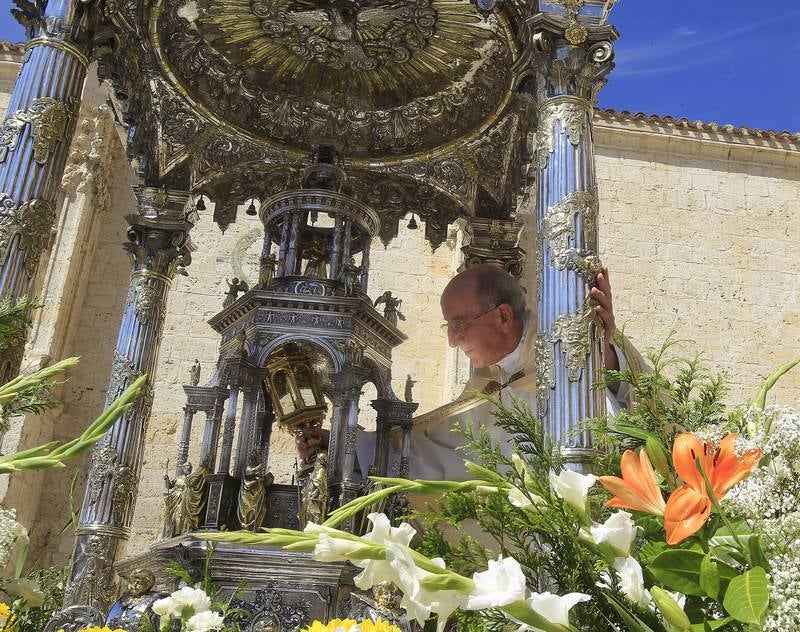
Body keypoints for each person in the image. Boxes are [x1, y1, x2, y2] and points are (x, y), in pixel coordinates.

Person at [297, 264, 647, 480]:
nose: (452, 341)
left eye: (460, 324)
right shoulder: (490, 378)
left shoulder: (568, 346)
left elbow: (641, 407)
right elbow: (443, 450)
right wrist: (350, 445)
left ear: (504, 317)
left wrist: (605, 358)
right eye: (449, 326)